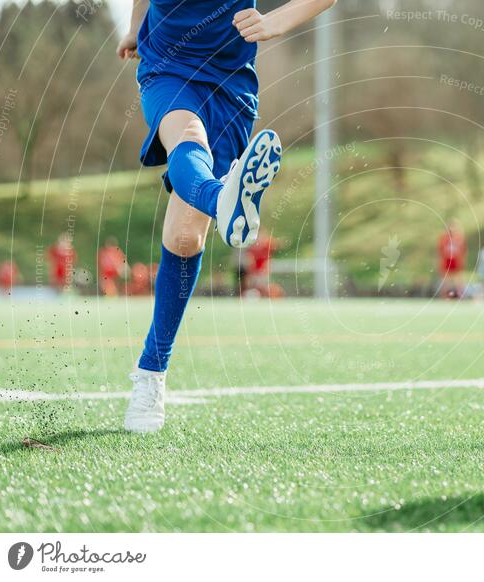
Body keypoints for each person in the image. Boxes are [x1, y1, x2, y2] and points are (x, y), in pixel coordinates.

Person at [116, 0, 336, 432]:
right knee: (187, 136)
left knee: (184, 239)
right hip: (168, 66)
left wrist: (273, 22)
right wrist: (135, 27)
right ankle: (150, 378)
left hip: (231, 88)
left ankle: (151, 367)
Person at [245, 228, 282, 296]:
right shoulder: (252, 243)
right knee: (254, 284)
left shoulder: (267, 241)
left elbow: (275, 246)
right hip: (255, 269)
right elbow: (249, 256)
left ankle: (272, 295)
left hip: (264, 268)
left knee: (264, 285)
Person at [437, 220, 467, 298]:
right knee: (446, 280)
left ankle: (461, 295)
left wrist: (462, 261)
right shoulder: (443, 238)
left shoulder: (459, 238)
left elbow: (463, 251)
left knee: (458, 279)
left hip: (456, 261)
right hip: (447, 261)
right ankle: (445, 296)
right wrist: (440, 262)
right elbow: (440, 251)